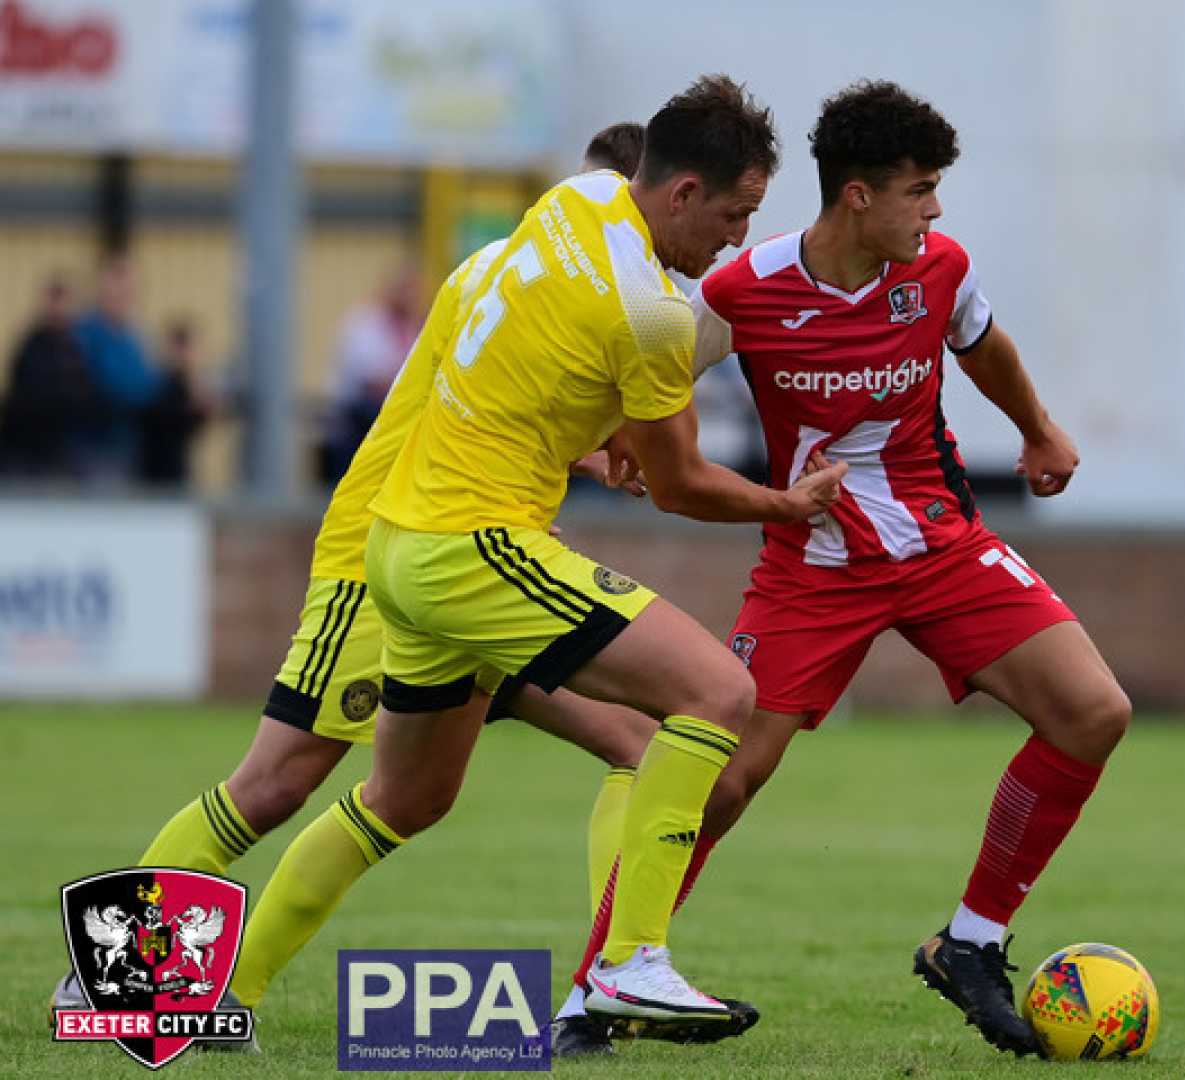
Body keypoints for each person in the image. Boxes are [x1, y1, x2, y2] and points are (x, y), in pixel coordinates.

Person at [231, 73, 844, 1043]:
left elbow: (549, 361)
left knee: (406, 799)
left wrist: (601, 434)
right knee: (719, 694)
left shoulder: (577, 200)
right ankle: (630, 964)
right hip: (475, 546)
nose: (732, 238)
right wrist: (786, 503)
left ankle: (231, 999)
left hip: (402, 546)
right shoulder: (649, 308)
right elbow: (681, 483)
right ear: (681, 191)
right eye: (734, 214)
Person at [563, 80, 1131, 1058]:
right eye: (921, 189)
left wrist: (1038, 430)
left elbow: (982, 345)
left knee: (1094, 711)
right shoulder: (746, 289)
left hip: (942, 546)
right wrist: (613, 440)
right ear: (858, 197)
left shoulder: (940, 270)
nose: (937, 210)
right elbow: (663, 371)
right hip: (810, 569)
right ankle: (595, 990)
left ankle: (973, 945)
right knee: (724, 778)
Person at [318, 264, 422, 483]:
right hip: (357, 421)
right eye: (405, 291)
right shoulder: (365, 323)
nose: (411, 298)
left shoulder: (413, 326)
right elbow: (374, 382)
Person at [70, 256, 161, 483]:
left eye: (129, 289)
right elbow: (116, 386)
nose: (123, 296)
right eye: (117, 289)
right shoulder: (86, 334)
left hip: (129, 444)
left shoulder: (134, 335)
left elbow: (148, 381)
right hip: (96, 448)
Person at [0, 275, 98, 480]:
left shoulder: (75, 348)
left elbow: (84, 393)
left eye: (63, 301)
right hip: (26, 449)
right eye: (54, 300)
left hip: (61, 448)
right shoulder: (31, 345)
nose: (58, 308)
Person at [136, 317, 213, 488]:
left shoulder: (182, 382)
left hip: (174, 470)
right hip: (157, 473)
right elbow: (170, 421)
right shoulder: (159, 382)